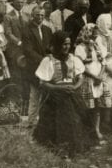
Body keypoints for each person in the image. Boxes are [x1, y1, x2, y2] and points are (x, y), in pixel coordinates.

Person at [33, 30, 95, 158]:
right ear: (56, 44)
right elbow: (43, 83)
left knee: (76, 118)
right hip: (54, 95)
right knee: (60, 120)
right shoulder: (48, 60)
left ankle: (74, 147)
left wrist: (74, 87)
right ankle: (59, 147)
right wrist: (58, 89)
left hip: (71, 93)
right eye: (63, 44)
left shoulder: (73, 59)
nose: (67, 47)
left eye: (68, 44)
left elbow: (80, 77)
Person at [74, 24, 112, 142]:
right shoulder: (80, 48)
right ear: (87, 33)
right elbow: (80, 66)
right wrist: (94, 77)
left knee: (97, 107)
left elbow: (104, 63)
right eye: (92, 33)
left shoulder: (97, 46)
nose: (95, 36)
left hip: (98, 80)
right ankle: (85, 130)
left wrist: (100, 76)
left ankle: (96, 129)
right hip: (87, 79)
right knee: (86, 106)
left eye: (96, 34)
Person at [21, 6, 53, 126]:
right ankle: (31, 122)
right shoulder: (27, 30)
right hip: (34, 67)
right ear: (32, 15)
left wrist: (50, 57)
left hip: (48, 67)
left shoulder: (47, 30)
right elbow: (28, 51)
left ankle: (44, 122)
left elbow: (50, 47)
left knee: (47, 94)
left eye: (42, 15)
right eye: (37, 15)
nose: (39, 17)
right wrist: (44, 59)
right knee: (34, 95)